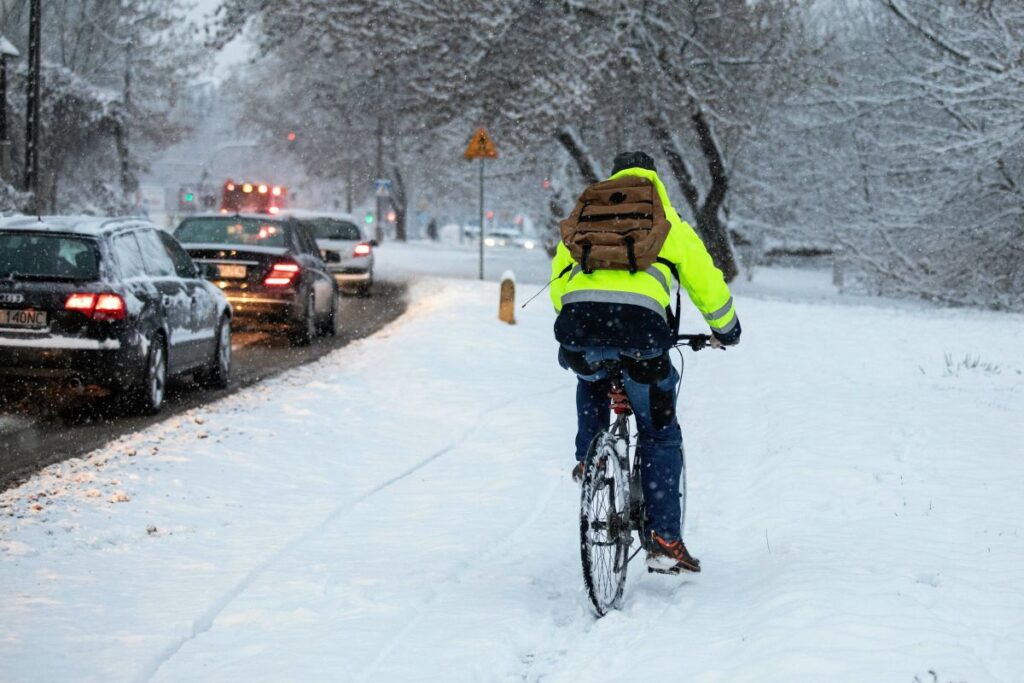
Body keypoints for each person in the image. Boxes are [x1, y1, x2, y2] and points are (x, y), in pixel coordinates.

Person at [551, 151, 740, 574]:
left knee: (592, 373)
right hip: (642, 337)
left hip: (580, 329)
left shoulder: (589, 219)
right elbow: (707, 283)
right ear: (655, 182)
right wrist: (726, 329)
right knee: (659, 433)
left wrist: (587, 322)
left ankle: (590, 457)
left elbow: (557, 287)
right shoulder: (667, 223)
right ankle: (663, 537)